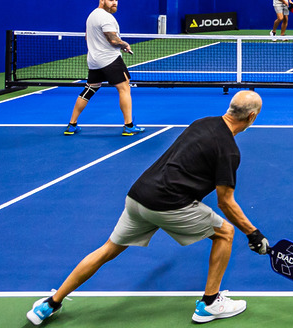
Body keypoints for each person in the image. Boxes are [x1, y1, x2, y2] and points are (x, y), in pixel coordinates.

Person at [28, 91, 268, 325]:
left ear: (230, 109)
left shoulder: (201, 123)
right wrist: (253, 234)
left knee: (108, 250)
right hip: (169, 204)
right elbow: (225, 202)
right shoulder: (228, 150)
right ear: (251, 117)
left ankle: (49, 304)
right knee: (225, 233)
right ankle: (210, 304)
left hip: (139, 196)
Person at [64, 0, 144, 137]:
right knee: (125, 88)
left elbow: (88, 37)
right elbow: (112, 39)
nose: (114, 3)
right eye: (111, 0)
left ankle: (72, 125)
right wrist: (124, 44)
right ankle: (129, 126)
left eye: (116, 0)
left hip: (94, 60)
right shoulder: (105, 18)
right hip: (110, 60)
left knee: (89, 89)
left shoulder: (92, 16)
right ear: (102, 0)